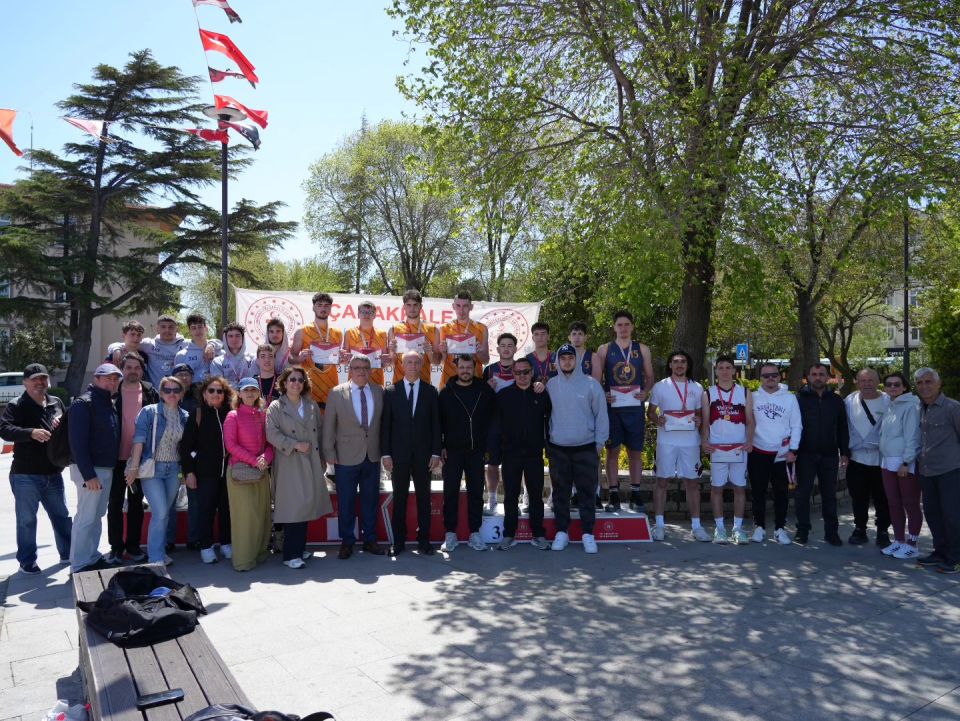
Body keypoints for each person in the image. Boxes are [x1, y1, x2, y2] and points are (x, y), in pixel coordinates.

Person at [0, 363, 72, 574]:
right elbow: (5, 429)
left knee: (61, 516)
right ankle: (27, 561)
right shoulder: (17, 405)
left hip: (53, 472)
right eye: (35, 379)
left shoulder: (56, 402)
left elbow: (68, 427)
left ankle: (68, 553)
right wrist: (30, 433)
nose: (40, 383)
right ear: (25, 383)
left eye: (43, 378)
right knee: (27, 520)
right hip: (25, 474)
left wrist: (61, 424)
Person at [266, 366, 332, 569]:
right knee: (294, 507)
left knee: (306, 504)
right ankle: (290, 554)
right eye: (292, 379)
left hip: (311, 459)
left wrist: (322, 458)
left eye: (300, 380)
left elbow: (319, 431)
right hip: (290, 461)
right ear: (284, 383)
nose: (296, 383)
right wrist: (294, 444)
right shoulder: (276, 406)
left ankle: (299, 548)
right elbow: (271, 434)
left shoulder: (311, 405)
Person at [546, 343, 608, 553]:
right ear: (558, 361)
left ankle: (588, 534)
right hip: (558, 448)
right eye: (563, 358)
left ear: (577, 360)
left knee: (587, 493)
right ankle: (561, 532)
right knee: (560, 494)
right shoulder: (550, 385)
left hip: (586, 448)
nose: (567, 362)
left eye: (570, 358)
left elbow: (601, 416)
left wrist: (599, 444)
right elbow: (545, 416)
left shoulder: (591, 385)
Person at [323, 356, 387, 559]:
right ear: (349, 370)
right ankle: (347, 541)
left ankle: (370, 540)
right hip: (344, 457)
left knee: (370, 501)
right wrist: (329, 453)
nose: (361, 371)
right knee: (346, 502)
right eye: (357, 367)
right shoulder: (336, 393)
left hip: (372, 455)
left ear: (371, 370)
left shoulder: (379, 391)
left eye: (366, 367)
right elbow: (328, 425)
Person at [382, 352, 442, 555]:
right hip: (398, 456)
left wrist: (436, 453)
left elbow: (436, 425)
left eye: (417, 362)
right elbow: (386, 426)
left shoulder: (431, 391)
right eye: (409, 362)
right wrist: (386, 454)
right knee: (399, 499)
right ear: (402, 364)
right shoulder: (391, 391)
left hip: (424, 456)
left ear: (422, 364)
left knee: (424, 499)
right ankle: (398, 542)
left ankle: (424, 540)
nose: (413, 365)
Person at [125, 376, 188, 565]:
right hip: (153, 469)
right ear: (161, 393)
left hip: (174, 469)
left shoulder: (184, 416)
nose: (172, 394)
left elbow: (185, 446)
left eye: (176, 390)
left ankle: (159, 551)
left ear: (182, 393)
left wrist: (185, 471)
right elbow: (139, 440)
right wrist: (134, 467)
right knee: (160, 512)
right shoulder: (149, 412)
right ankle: (155, 558)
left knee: (165, 512)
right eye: (167, 390)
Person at [595, 311, 654, 512]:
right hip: (613, 409)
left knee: (635, 452)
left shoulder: (642, 349)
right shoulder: (604, 349)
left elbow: (650, 377)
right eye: (619, 325)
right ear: (614, 327)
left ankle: (635, 493)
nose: (623, 328)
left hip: (634, 408)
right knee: (612, 452)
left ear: (632, 327)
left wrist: (646, 391)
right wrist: (603, 393)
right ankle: (613, 494)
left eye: (627, 324)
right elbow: (596, 379)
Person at [68, 363, 123, 573]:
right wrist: (89, 474)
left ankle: (91, 556)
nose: (112, 382)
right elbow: (78, 444)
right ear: (96, 379)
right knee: (86, 516)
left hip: (105, 469)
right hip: (91, 471)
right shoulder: (84, 403)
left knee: (96, 515)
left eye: (115, 379)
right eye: (107, 378)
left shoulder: (107, 402)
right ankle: (79, 563)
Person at [491, 356, 551, 550]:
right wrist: (496, 451)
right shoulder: (504, 395)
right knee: (510, 495)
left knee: (536, 495)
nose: (522, 375)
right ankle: (509, 534)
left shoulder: (542, 394)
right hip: (510, 453)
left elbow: (550, 422)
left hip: (534, 453)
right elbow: (496, 426)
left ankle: (538, 534)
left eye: (526, 372)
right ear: (513, 373)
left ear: (532, 373)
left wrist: (548, 448)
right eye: (518, 372)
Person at [647, 351, 707, 542]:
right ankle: (659, 525)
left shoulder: (697, 387)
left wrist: (699, 420)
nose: (679, 365)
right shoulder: (660, 386)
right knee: (661, 481)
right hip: (666, 441)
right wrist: (657, 419)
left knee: (692, 483)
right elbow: (651, 412)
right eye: (676, 362)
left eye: (683, 362)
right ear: (670, 365)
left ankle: (696, 527)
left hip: (690, 442)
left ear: (688, 365)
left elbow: (700, 414)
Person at [439, 354, 496, 552]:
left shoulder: (485, 391)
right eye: (462, 367)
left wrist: (488, 446)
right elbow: (439, 423)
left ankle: (475, 533)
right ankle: (450, 533)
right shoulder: (446, 393)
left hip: (476, 451)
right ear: (456, 369)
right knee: (450, 492)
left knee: (476, 492)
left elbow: (493, 419)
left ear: (474, 368)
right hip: (452, 452)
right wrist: (441, 446)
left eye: (469, 367)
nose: (465, 371)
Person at [106, 352, 156, 564]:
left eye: (137, 368)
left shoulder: (150, 391)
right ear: (122, 369)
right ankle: (116, 548)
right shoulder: (112, 391)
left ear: (142, 371)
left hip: (140, 459)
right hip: (116, 458)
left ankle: (133, 547)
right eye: (128, 367)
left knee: (136, 504)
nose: (132, 371)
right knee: (115, 503)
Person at [701, 355, 755, 544]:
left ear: (734, 370)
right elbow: (705, 422)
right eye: (721, 368)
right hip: (717, 449)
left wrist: (750, 441)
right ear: (716, 371)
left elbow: (750, 421)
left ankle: (737, 529)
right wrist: (704, 442)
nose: (724, 371)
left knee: (739, 488)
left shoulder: (745, 392)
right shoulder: (708, 393)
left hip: (739, 448)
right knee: (717, 489)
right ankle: (720, 529)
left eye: (728, 367)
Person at [180, 376, 234, 565]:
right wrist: (189, 472)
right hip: (205, 473)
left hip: (228, 472)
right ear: (204, 394)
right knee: (206, 510)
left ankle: (226, 544)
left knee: (227, 509)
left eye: (220, 391)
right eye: (211, 390)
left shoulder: (230, 413)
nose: (215, 394)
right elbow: (185, 447)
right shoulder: (197, 414)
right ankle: (206, 546)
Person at [796, 363, 849, 546]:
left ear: (827, 377)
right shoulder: (798, 399)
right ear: (808, 377)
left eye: (821, 374)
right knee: (803, 494)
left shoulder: (836, 400)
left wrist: (844, 452)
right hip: (805, 454)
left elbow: (842, 427)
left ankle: (831, 533)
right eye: (814, 374)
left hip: (829, 454)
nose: (817, 377)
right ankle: (802, 531)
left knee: (829, 495)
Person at [224, 377, 274, 571]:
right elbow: (230, 445)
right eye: (246, 390)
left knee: (261, 514)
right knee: (245, 517)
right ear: (239, 393)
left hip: (261, 471)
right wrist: (254, 460)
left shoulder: (263, 414)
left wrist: (266, 458)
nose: (250, 393)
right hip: (241, 473)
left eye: (253, 390)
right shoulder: (233, 416)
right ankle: (243, 561)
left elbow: (270, 443)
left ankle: (260, 554)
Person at [748, 363, 802, 545]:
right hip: (758, 451)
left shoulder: (790, 398)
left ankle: (780, 529)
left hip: (782, 454)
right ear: (760, 378)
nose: (770, 378)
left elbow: (797, 425)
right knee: (758, 492)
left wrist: (793, 450)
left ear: (780, 376)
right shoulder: (752, 397)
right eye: (766, 375)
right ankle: (759, 527)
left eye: (774, 375)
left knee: (781, 493)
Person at [913, 368, 960, 574]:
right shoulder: (920, 408)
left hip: (950, 471)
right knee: (932, 514)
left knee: (952, 516)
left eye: (928, 381)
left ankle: (956, 557)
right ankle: (940, 551)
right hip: (927, 471)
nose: (924, 386)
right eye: (920, 383)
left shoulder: (953, 408)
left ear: (939, 384)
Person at [845, 368, 892, 547]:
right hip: (857, 459)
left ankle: (883, 531)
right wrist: (844, 453)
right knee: (858, 497)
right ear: (857, 382)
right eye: (863, 380)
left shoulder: (889, 401)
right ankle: (860, 529)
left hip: (882, 460)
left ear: (878, 381)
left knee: (883, 497)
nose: (867, 384)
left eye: (871, 380)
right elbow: (843, 428)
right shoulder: (849, 401)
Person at [878, 371, 922, 559]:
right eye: (889, 384)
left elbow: (913, 437)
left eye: (897, 384)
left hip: (904, 463)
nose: (893, 387)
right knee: (894, 503)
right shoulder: (890, 405)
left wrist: (906, 462)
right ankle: (899, 540)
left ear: (904, 387)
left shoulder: (911, 406)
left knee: (910, 503)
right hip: (887, 461)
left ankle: (912, 544)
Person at [482, 333, 518, 515]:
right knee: (492, 464)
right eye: (503, 346)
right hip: (494, 425)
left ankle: (516, 501)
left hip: (516, 425)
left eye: (510, 345)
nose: (506, 349)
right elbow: (481, 399)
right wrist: (487, 389)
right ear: (497, 349)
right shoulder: (489, 370)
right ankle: (492, 500)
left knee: (516, 465)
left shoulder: (521, 368)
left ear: (515, 349)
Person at [290, 292, 345, 410]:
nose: (323, 308)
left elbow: (336, 360)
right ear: (313, 307)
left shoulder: (338, 333)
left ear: (330, 308)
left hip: (331, 387)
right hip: (308, 388)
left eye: (326, 305)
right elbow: (291, 357)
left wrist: (342, 359)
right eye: (319, 305)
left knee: (329, 422)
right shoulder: (302, 331)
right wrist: (299, 358)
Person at [387, 289, 439, 386]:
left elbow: (436, 362)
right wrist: (392, 351)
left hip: (423, 383)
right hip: (399, 383)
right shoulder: (394, 329)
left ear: (421, 306)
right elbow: (392, 363)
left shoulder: (432, 329)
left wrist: (429, 352)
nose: (412, 308)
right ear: (404, 307)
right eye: (409, 305)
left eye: (415, 305)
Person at [438, 291, 489, 389]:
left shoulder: (481, 328)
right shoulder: (444, 328)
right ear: (453, 306)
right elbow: (441, 362)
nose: (461, 310)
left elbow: (486, 361)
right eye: (458, 306)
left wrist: (479, 352)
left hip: (474, 382)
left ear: (471, 307)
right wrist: (443, 353)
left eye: (465, 306)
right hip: (449, 382)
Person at [342, 301, 388, 387]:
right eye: (363, 312)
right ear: (358, 314)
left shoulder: (383, 334)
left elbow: (385, 363)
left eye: (370, 312)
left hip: (376, 380)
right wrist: (344, 358)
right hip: (355, 381)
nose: (366, 315)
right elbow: (344, 361)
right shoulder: (349, 333)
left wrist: (386, 361)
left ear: (375, 315)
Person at [138, 315, 189, 387]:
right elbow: (128, 344)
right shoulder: (149, 344)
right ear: (157, 328)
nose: (167, 330)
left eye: (171, 327)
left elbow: (203, 344)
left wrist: (207, 348)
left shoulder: (186, 344)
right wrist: (119, 350)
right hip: (155, 391)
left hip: (178, 391)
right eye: (163, 327)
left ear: (176, 329)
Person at [173, 313, 221, 383]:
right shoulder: (181, 355)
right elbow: (178, 382)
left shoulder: (219, 351)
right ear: (189, 331)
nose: (197, 331)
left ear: (206, 328)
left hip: (215, 389)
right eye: (193, 328)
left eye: (200, 327)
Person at [210, 322, 257, 389]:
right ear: (225, 339)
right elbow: (219, 386)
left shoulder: (252, 359)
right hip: (227, 395)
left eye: (237, 336)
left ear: (243, 338)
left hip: (249, 394)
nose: (234, 339)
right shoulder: (217, 362)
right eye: (230, 336)